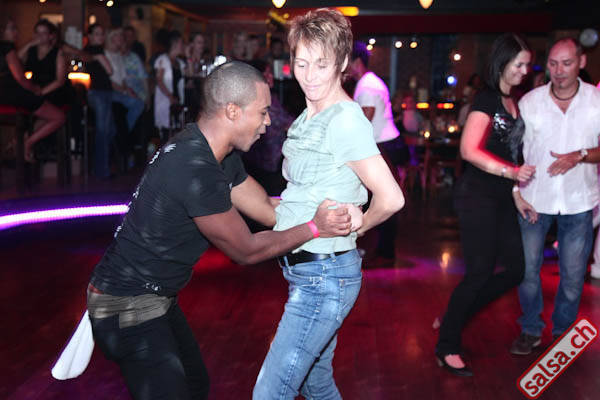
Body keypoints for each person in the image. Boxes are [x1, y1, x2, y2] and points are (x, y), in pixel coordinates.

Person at [87, 61, 357, 400]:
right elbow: (246, 249)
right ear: (232, 111)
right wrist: (315, 227)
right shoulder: (194, 167)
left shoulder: (217, 154)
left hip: (154, 298)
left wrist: (325, 205)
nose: (268, 122)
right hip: (125, 305)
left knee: (196, 386)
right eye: (262, 112)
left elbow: (268, 209)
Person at [253, 9, 405, 399]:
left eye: (321, 64)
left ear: (341, 63)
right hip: (305, 272)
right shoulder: (307, 118)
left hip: (324, 277)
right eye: (302, 63)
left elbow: (391, 197)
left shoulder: (344, 119)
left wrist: (359, 222)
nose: (310, 74)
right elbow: (303, 193)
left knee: (269, 393)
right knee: (316, 384)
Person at [435, 33, 536, 376]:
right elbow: (468, 149)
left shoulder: (513, 102)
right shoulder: (487, 98)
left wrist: (517, 194)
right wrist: (512, 172)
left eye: (527, 65)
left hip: (502, 197)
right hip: (477, 195)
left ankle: (455, 314)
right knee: (479, 272)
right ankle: (447, 346)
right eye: (519, 64)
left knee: (516, 269)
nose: (524, 71)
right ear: (503, 62)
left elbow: (510, 153)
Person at [510, 38, 600, 355]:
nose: (559, 71)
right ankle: (531, 329)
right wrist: (515, 190)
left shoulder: (596, 101)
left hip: (579, 201)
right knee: (527, 272)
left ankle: (562, 332)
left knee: (573, 277)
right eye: (553, 63)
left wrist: (581, 155)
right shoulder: (530, 103)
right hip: (534, 199)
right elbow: (512, 151)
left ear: (581, 63)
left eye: (567, 63)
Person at [348, 40, 406, 261]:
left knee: (384, 197)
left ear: (356, 62)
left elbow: (366, 118)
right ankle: (383, 249)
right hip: (387, 144)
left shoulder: (367, 85)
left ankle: (385, 251)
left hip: (384, 145)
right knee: (382, 195)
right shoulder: (369, 81)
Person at [0, 16, 65, 162]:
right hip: (23, 91)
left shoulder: (57, 52)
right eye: (37, 33)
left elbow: (60, 81)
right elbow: (19, 72)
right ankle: (25, 143)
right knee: (53, 115)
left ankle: (21, 143)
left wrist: (39, 91)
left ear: (51, 36)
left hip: (53, 90)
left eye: (44, 33)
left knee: (44, 109)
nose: (40, 36)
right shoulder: (15, 48)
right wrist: (29, 44)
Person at [84, 23, 115, 178]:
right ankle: (101, 170)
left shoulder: (94, 50)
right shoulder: (94, 50)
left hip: (103, 93)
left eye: (102, 33)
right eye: (97, 34)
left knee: (109, 130)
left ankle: (100, 167)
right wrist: (100, 58)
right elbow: (110, 70)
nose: (101, 37)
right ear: (89, 36)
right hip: (98, 93)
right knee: (103, 131)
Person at [153, 30, 185, 138]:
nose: (183, 46)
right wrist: (170, 96)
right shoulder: (162, 60)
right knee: (166, 131)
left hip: (178, 100)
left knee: (177, 130)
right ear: (175, 43)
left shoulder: (180, 62)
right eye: (181, 43)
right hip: (166, 99)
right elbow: (159, 80)